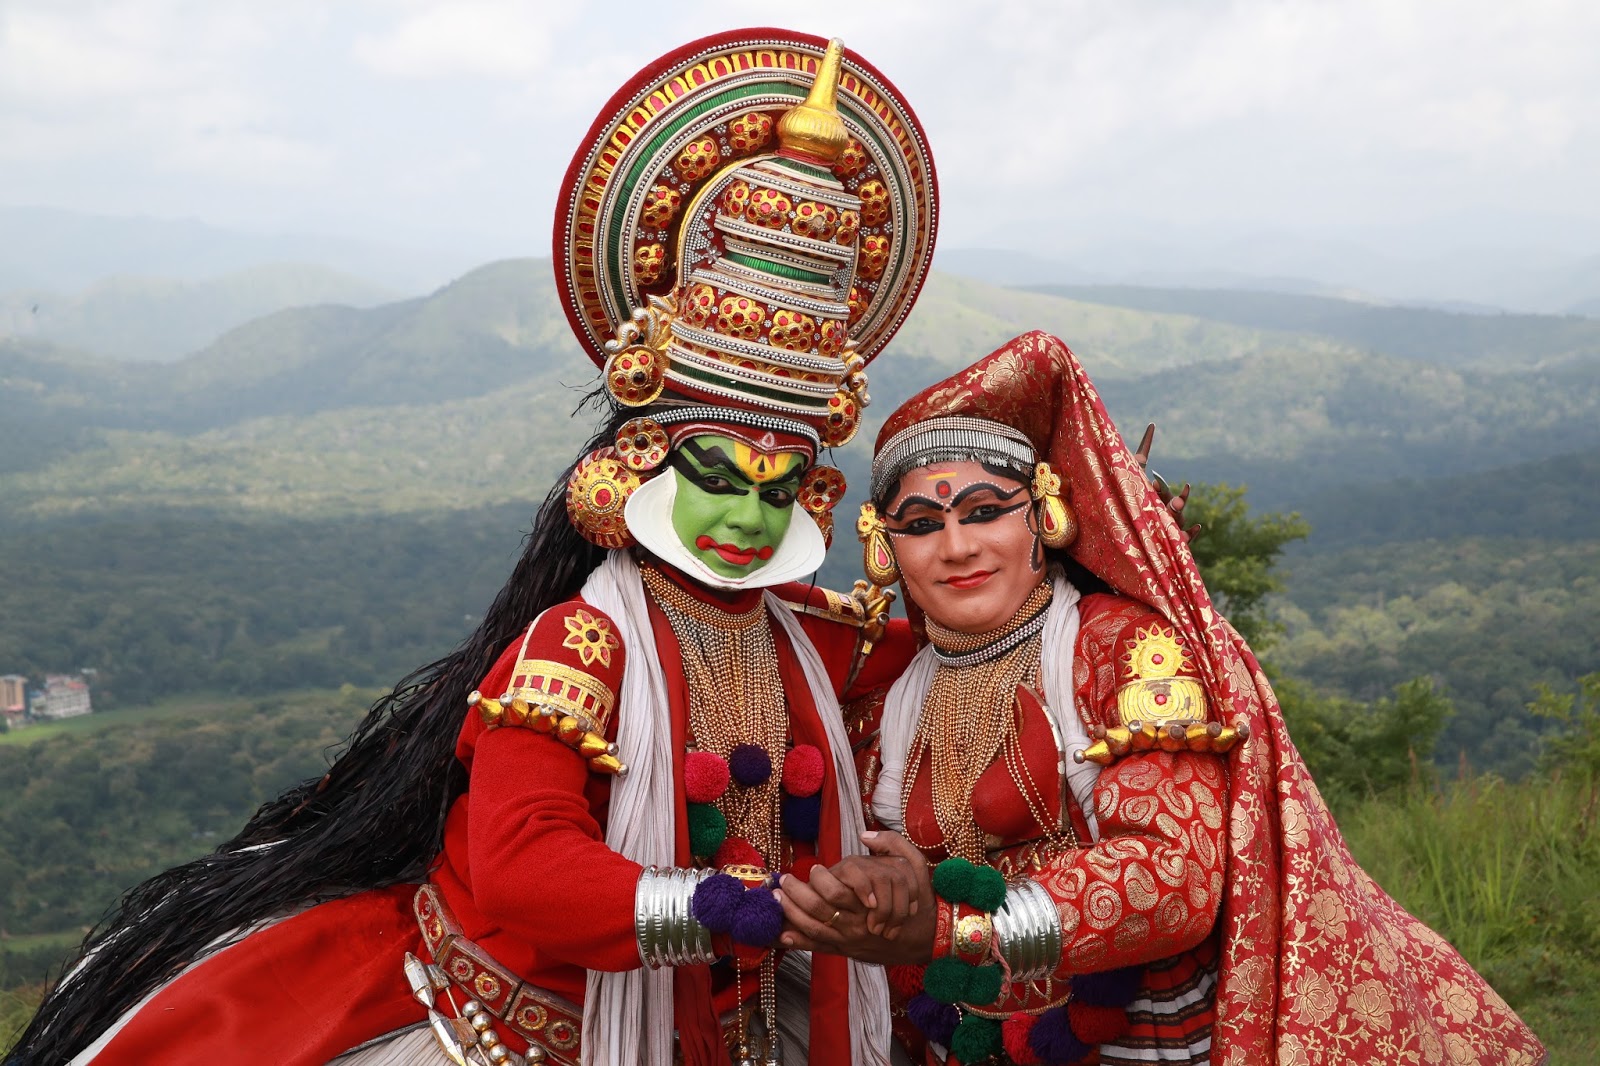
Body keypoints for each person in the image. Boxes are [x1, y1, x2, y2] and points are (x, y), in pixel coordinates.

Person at [7, 29, 941, 1066]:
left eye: (779, 488)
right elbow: (526, 864)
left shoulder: (811, 639)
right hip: (540, 1023)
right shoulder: (578, 647)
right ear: (641, 463)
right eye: (717, 476)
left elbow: (958, 678)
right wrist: (731, 905)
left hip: (738, 1012)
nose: (751, 521)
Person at [779, 330, 1546, 1066]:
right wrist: (876, 897)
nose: (957, 547)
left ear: (1043, 514)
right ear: (885, 545)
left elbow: (1174, 876)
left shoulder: (1121, 649)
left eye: (985, 512)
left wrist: (958, 929)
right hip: (959, 1032)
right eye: (921, 524)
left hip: (1143, 1031)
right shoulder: (889, 700)